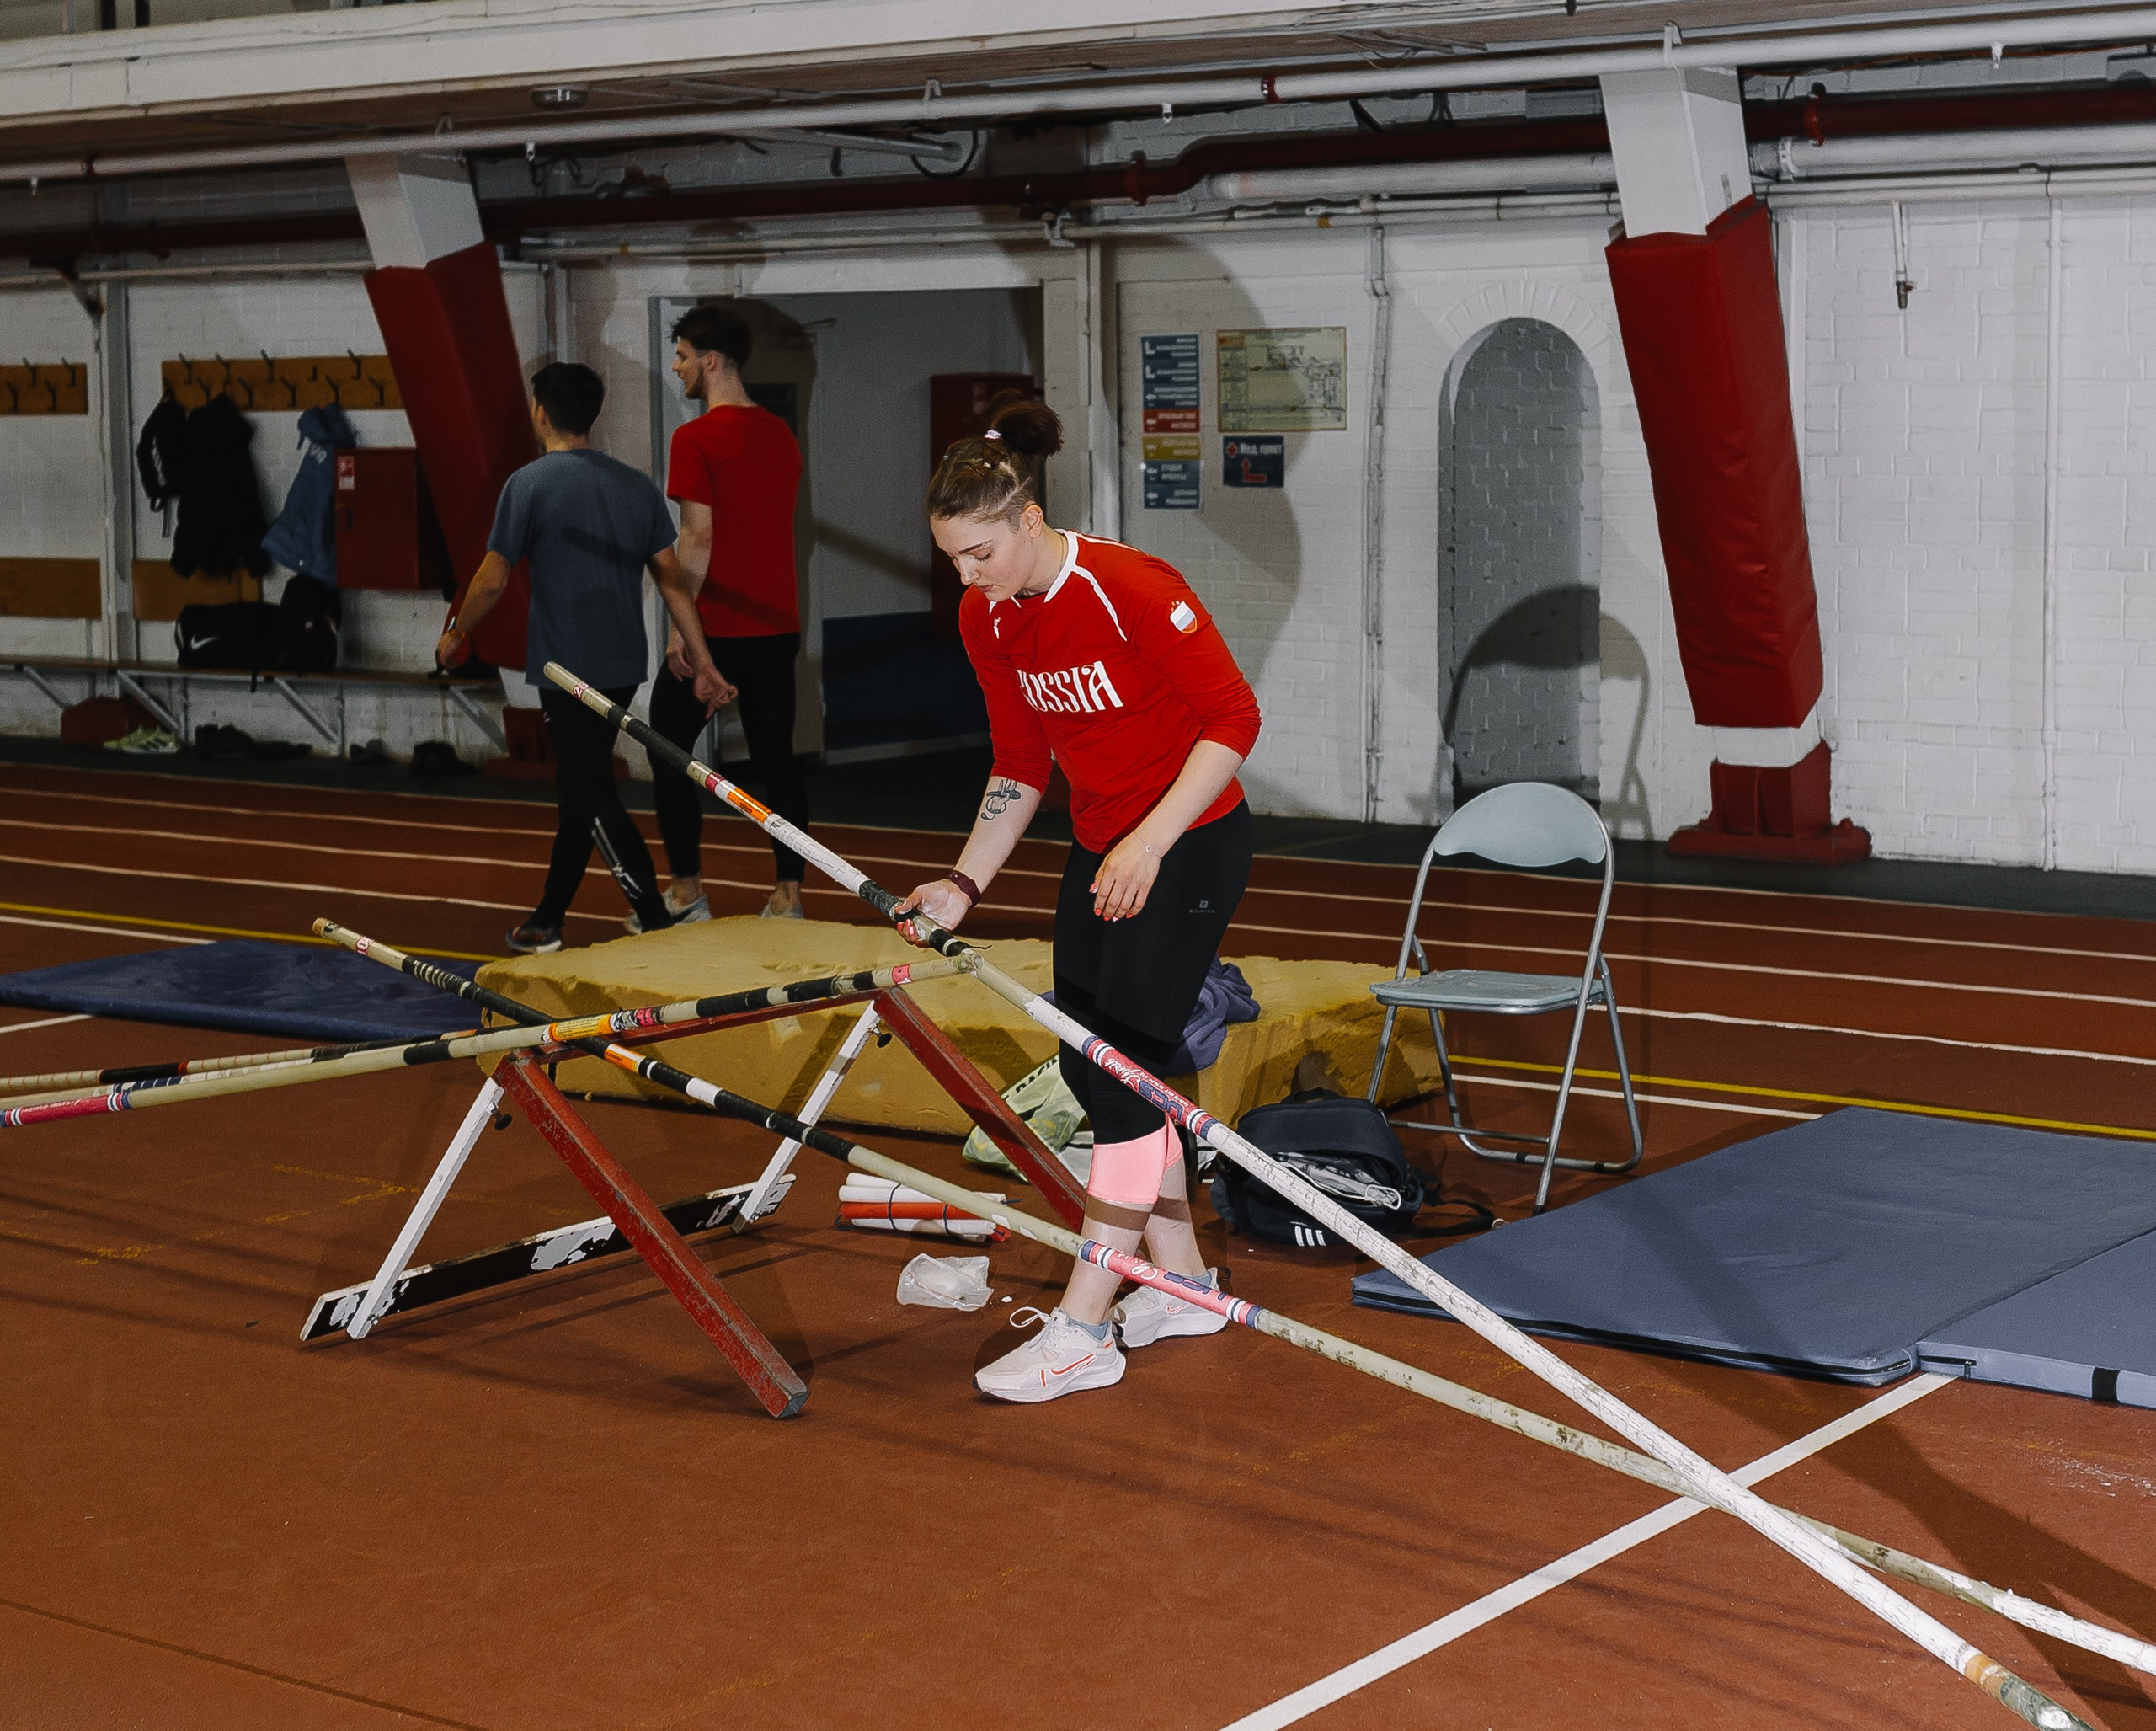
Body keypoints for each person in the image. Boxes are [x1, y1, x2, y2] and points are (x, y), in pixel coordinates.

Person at [895, 393, 1262, 1405]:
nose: (967, 579)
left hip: (1185, 844)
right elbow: (1020, 761)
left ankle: (1085, 1326)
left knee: (1122, 1076)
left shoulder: (1129, 586)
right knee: (1091, 1060)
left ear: (1025, 520)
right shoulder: (989, 616)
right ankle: (1182, 1283)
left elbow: (1233, 717)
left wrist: (1152, 837)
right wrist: (966, 880)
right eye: (952, 560)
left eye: (979, 554)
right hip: (1103, 844)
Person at [437, 361, 732, 954]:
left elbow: (493, 579)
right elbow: (673, 581)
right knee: (580, 791)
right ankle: (547, 918)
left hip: (565, 671)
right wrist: (704, 662)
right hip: (623, 666)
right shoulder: (635, 487)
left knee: (592, 795)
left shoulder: (529, 484)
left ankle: (653, 917)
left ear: (541, 413)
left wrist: (457, 632)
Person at [649, 304, 811, 922]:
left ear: (710, 362)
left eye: (684, 356)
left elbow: (697, 540)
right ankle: (788, 894)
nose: (678, 366)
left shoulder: (694, 438)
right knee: (778, 762)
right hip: (778, 627)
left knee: (666, 748)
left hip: (717, 626)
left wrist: (679, 632)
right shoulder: (780, 433)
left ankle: (688, 891)